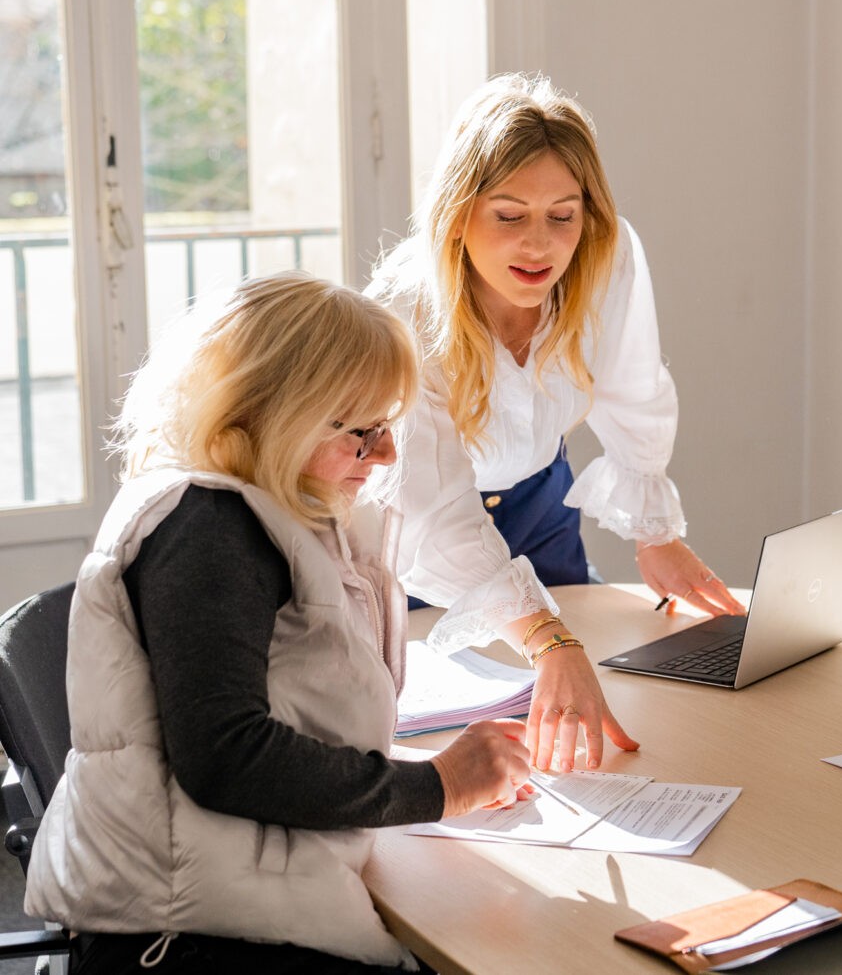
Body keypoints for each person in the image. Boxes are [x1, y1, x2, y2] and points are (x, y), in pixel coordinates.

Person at [26, 274, 534, 972]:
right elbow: (226, 756)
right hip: (193, 937)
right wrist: (437, 787)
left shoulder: (265, 510)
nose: (384, 455)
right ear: (274, 414)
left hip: (233, 894)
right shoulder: (206, 528)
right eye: (363, 432)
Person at [369, 73, 742, 770]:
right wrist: (547, 637)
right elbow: (430, 506)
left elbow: (633, 387)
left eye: (562, 215)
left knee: (589, 717)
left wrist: (656, 533)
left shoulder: (606, 257)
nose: (539, 245)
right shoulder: (405, 305)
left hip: (541, 504)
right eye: (509, 215)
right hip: (415, 533)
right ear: (458, 216)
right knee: (442, 728)